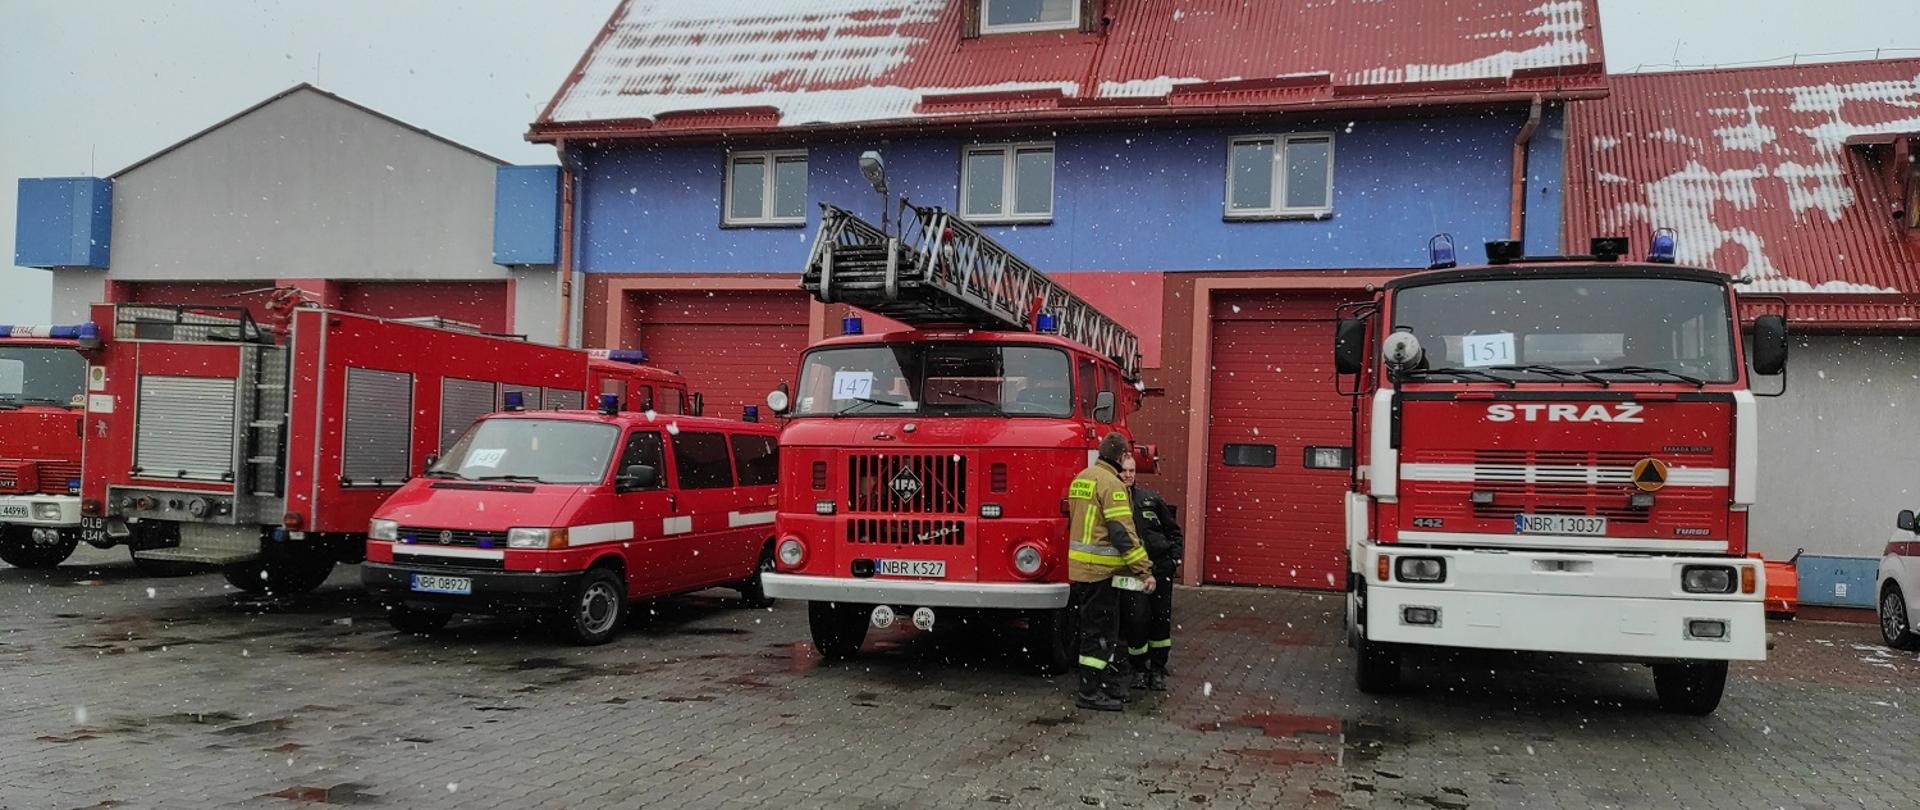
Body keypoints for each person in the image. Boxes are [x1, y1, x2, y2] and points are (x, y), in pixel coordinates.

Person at [1064, 432, 1156, 712]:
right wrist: (1144, 570)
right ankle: (1091, 692)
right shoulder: (1112, 485)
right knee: (1100, 633)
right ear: (1119, 457)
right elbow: (1122, 534)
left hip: (1081, 571)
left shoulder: (1082, 477)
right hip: (1101, 573)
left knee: (1092, 630)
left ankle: (1098, 686)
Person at [1120, 453, 1182, 692]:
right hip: (1132, 572)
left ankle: (1157, 670)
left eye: (1132, 471)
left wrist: (1174, 559)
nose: (1128, 475)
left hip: (1160, 568)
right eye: (1124, 470)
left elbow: (1174, 531)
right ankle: (1138, 669)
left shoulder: (1151, 499)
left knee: (1160, 620)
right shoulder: (1114, 501)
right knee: (1136, 621)